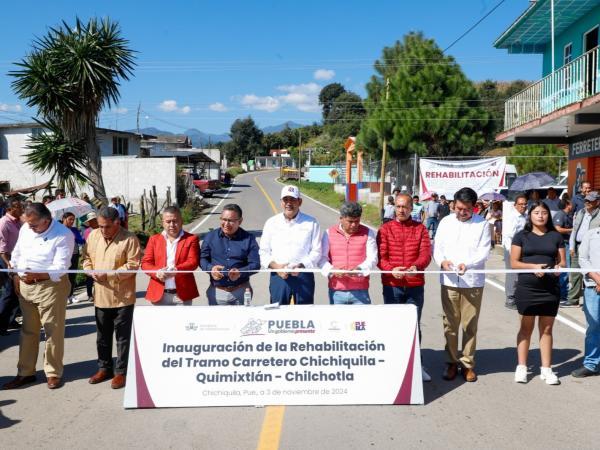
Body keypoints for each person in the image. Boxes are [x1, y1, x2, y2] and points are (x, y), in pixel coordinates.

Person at [2, 203, 74, 390]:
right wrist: (16, 275)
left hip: (51, 287)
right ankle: (25, 373)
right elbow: (17, 253)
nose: (30, 228)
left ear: (47, 220)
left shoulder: (63, 234)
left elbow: (61, 267)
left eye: (34, 225)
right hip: (26, 286)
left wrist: (39, 275)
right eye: (29, 224)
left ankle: (53, 372)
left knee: (53, 331)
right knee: (28, 331)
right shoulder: (26, 227)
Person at [434, 187, 491, 382]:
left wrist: (468, 264)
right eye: (458, 208)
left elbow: (483, 252)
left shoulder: (482, 224)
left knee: (469, 325)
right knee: (450, 324)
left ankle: (467, 363)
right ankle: (451, 361)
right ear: (453, 205)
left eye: (466, 209)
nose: (461, 212)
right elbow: (438, 247)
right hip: (449, 280)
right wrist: (442, 262)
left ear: (474, 207)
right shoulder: (446, 222)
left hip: (472, 281)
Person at [82, 207, 141, 389]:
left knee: (122, 338)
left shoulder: (130, 239)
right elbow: (86, 259)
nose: (103, 230)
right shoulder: (93, 236)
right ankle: (104, 368)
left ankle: (121, 372)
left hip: (123, 296)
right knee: (102, 336)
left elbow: (132, 265)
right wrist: (90, 271)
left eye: (107, 227)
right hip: (100, 296)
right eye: (100, 226)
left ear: (117, 223)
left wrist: (108, 274)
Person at [377, 193, 432, 381]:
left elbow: (426, 254)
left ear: (411, 208)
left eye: (405, 207)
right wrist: (391, 269)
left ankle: (417, 364)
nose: (401, 210)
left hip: (415, 284)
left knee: (413, 326)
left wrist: (416, 266)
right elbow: (381, 258)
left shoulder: (421, 229)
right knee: (393, 326)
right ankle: (393, 365)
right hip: (392, 285)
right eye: (398, 207)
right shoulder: (385, 229)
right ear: (394, 208)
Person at [511, 201, 566, 385]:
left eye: (544, 212)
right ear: (530, 215)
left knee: (547, 329)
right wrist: (533, 267)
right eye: (536, 212)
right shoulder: (521, 236)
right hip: (527, 288)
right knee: (526, 328)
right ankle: (521, 367)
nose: (541, 216)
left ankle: (546, 369)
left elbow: (563, 263)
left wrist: (558, 268)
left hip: (550, 288)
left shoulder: (555, 236)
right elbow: (514, 263)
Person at [259, 185, 321, 305]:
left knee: (304, 315)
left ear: (300, 202)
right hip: (279, 275)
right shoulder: (271, 223)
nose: (289, 203)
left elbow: (317, 251)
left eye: (292, 199)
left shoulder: (311, 222)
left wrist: (301, 266)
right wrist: (277, 267)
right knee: (277, 314)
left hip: (304, 275)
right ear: (281, 202)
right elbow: (264, 252)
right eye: (285, 200)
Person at [200, 204, 260, 305]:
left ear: (240, 221)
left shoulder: (249, 239)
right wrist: (211, 269)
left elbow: (256, 264)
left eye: (231, 220)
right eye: (224, 219)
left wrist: (240, 272)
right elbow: (202, 259)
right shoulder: (210, 237)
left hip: (241, 292)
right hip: (216, 292)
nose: (226, 224)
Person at [320, 202, 377, 305]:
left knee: (361, 321)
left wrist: (360, 269)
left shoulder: (368, 233)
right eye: (350, 221)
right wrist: (332, 270)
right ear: (341, 218)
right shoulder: (329, 233)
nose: (354, 225)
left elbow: (373, 258)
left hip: (361, 291)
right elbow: (322, 259)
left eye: (357, 221)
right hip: (337, 291)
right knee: (337, 321)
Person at [142, 206, 199, 305]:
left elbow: (193, 262)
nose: (172, 225)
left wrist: (177, 270)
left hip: (182, 295)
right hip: (159, 294)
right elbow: (146, 263)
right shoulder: (154, 239)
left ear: (181, 221)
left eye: (175, 221)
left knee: (183, 321)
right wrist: (157, 272)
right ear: (162, 223)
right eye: (168, 222)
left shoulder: (191, 239)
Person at [572, 226, 600, 378]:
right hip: (592, 287)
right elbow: (583, 259)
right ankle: (591, 364)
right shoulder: (591, 234)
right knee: (594, 325)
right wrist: (597, 278)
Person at [564, 191, 600, 308]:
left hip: (592, 248)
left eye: (590, 200)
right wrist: (572, 246)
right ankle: (573, 299)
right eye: (586, 200)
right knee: (575, 273)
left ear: (597, 202)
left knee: (589, 274)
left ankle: (589, 302)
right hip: (578, 246)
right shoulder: (580, 212)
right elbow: (574, 229)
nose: (587, 202)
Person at [0, 198, 23, 335]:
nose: (21, 208)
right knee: (9, 292)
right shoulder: (3, 223)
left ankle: (10, 319)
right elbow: (2, 248)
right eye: (17, 206)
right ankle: (1, 325)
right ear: (9, 209)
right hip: (6, 259)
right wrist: (8, 263)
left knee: (17, 291)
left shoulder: (18, 222)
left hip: (17, 259)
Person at [502, 194, 528, 309]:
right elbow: (508, 236)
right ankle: (510, 299)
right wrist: (511, 252)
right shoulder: (512, 217)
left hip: (522, 249)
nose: (523, 206)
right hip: (511, 249)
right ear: (515, 205)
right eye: (520, 204)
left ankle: (517, 297)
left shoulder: (525, 216)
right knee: (512, 274)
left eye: (525, 204)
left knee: (520, 274)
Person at [61, 212, 85, 304]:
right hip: (63, 256)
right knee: (63, 276)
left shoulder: (74, 229)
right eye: (70, 219)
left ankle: (70, 295)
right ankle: (64, 295)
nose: (72, 221)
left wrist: (83, 235)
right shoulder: (59, 229)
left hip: (74, 254)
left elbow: (80, 241)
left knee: (72, 276)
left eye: (73, 220)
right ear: (64, 218)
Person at [553, 199, 573, 304]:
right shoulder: (560, 214)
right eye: (571, 203)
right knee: (563, 270)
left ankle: (563, 295)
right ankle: (562, 296)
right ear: (567, 205)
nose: (573, 205)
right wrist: (572, 230)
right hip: (562, 245)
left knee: (564, 270)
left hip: (566, 244)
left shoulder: (567, 215)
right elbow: (557, 228)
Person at [80, 212, 98, 303]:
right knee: (89, 276)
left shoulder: (103, 229)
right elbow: (85, 244)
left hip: (99, 256)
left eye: (93, 220)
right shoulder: (87, 231)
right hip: (89, 255)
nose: (92, 222)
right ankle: (90, 294)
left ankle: (97, 294)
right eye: (90, 221)